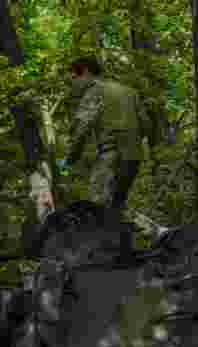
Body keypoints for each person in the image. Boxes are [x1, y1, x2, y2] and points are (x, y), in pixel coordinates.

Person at [57, 55, 154, 260]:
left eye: (74, 78)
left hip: (112, 155)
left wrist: (69, 160)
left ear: (84, 72)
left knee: (97, 206)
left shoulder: (94, 93)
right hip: (133, 157)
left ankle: (100, 256)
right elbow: (146, 125)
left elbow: (82, 128)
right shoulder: (130, 92)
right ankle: (133, 246)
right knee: (117, 205)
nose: (73, 83)